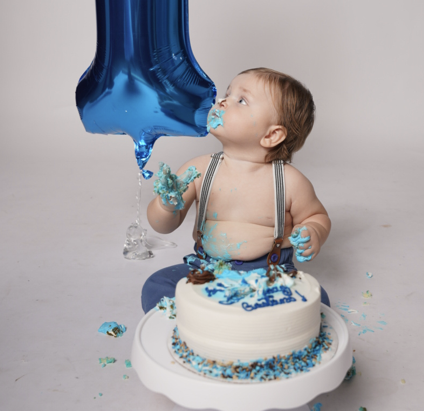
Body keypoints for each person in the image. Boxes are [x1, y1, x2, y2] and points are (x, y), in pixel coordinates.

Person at [141, 67, 331, 312]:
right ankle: (207, 326)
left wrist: (313, 232)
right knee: (157, 286)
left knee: (318, 300)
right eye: (226, 94)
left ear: (272, 135)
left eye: (241, 100)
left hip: (269, 274)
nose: (222, 101)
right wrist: (166, 206)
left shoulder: (289, 181)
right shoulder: (198, 169)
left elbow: (317, 217)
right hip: (206, 270)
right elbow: (162, 226)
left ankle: (245, 326)